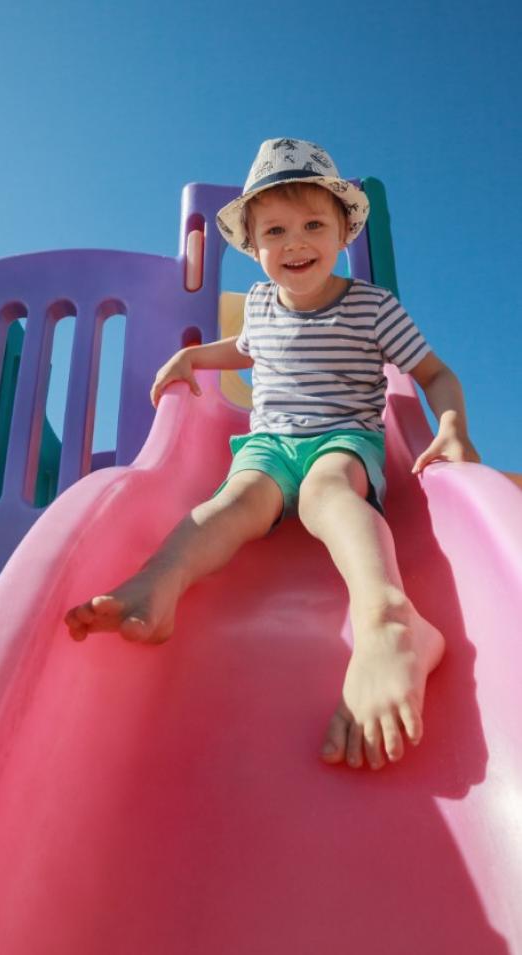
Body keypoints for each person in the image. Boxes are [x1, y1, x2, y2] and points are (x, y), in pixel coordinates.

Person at [65, 138, 480, 771]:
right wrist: (194, 356)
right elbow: (245, 345)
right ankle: (161, 579)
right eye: (275, 230)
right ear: (253, 246)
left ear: (343, 231)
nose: (295, 242)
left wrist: (450, 426)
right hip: (267, 443)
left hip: (344, 437)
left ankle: (391, 618)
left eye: (314, 224)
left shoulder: (373, 307)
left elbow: (434, 373)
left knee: (325, 492)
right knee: (233, 501)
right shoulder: (260, 304)